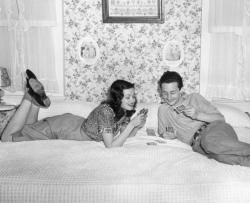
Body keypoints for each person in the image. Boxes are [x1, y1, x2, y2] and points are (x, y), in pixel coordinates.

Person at [1, 70, 147, 148]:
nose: (132, 100)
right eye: (128, 97)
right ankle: (28, 98)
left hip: (71, 124)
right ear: (117, 98)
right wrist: (132, 125)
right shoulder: (106, 111)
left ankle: (35, 102)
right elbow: (111, 145)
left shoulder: (122, 111)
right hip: (60, 128)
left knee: (29, 128)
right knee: (7, 139)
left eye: (133, 95)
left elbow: (126, 135)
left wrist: (136, 125)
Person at [157, 71, 250, 167]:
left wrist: (197, 115)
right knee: (221, 157)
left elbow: (221, 119)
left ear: (180, 90)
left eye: (172, 93)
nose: (168, 97)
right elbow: (162, 132)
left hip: (214, 129)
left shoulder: (194, 98)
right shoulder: (163, 110)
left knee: (210, 143)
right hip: (197, 145)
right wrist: (166, 135)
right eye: (165, 93)